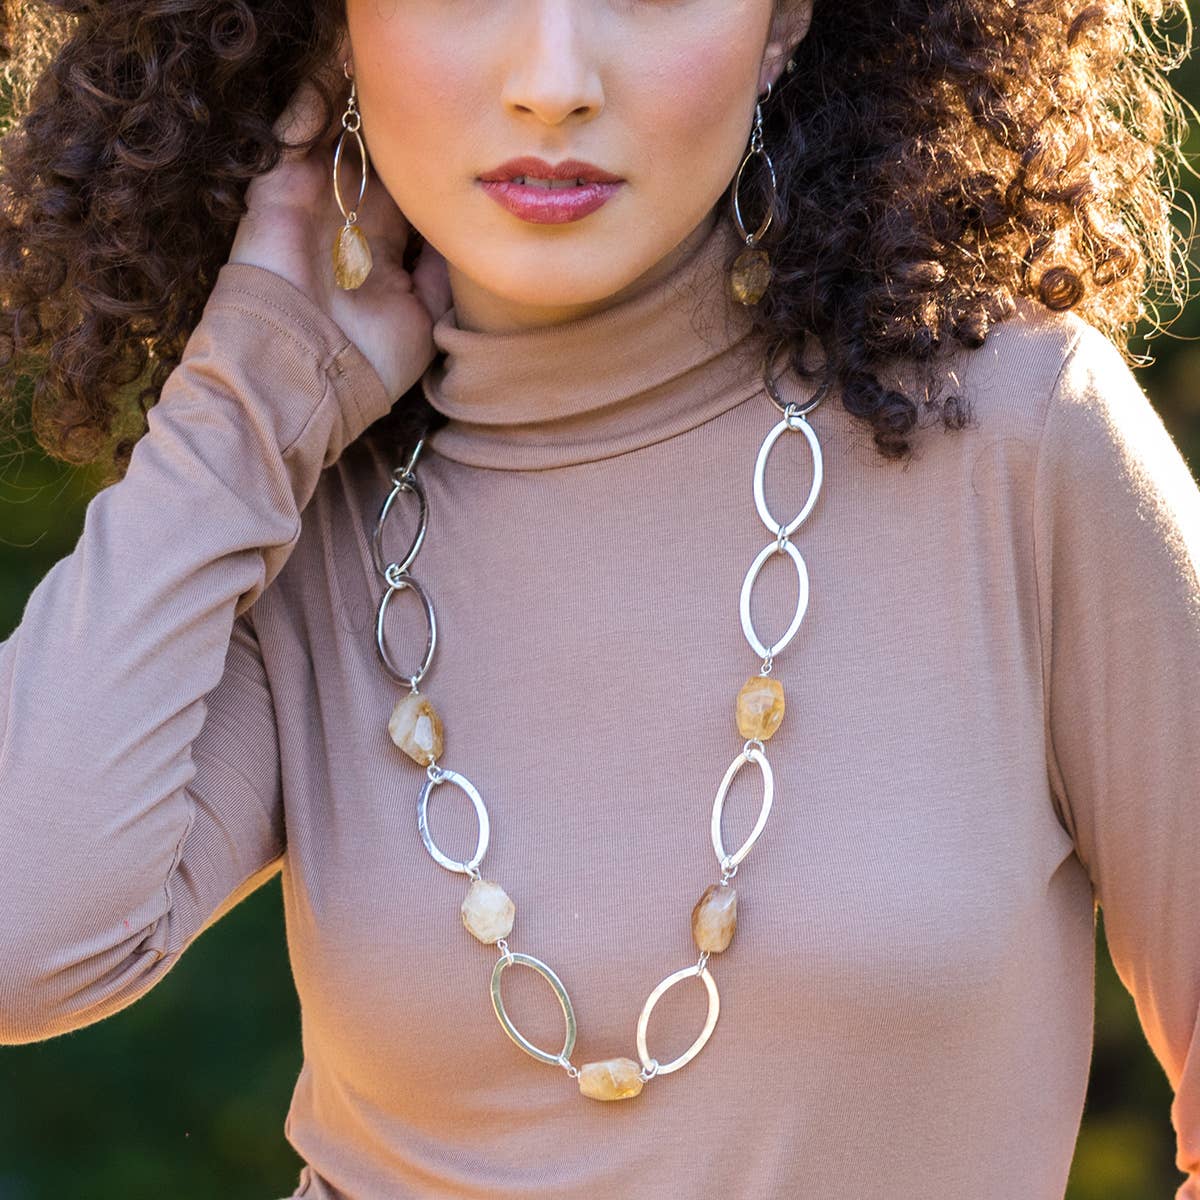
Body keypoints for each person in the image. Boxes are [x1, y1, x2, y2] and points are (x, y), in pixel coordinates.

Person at [0, 0, 1198, 1197]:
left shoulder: (1020, 441)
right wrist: (248, 395)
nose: (553, 80)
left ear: (782, 25)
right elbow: (25, 946)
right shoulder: (290, 492)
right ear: (330, 32)